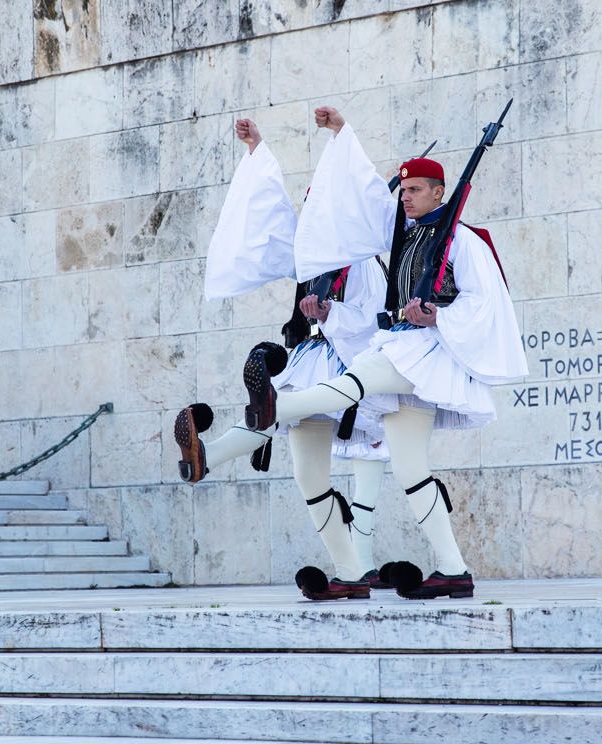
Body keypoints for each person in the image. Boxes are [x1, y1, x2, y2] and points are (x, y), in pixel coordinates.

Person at [240, 106, 528, 600]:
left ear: (439, 193)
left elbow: (485, 302)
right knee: (411, 469)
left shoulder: (463, 241)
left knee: (355, 381)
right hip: (404, 347)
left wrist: (437, 315)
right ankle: (453, 570)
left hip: (428, 352)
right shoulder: (406, 237)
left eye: (415, 190)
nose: (406, 197)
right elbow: (356, 199)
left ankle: (273, 409)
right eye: (405, 190)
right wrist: (337, 135)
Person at [175, 117, 392, 600]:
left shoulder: (363, 263)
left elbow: (374, 322)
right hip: (310, 359)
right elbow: (270, 218)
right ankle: (350, 574)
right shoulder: (312, 260)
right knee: (307, 475)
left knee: (271, 411)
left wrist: (331, 313)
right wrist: (257, 150)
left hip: (346, 369)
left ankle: (210, 456)